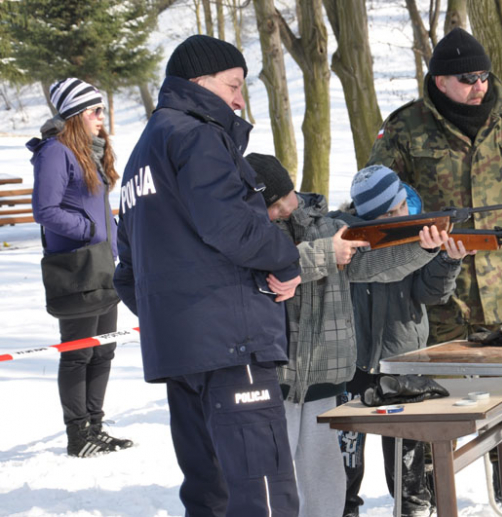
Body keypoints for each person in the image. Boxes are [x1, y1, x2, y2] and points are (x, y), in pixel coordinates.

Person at [367, 27, 502, 512]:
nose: (479, 84)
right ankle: (423, 476)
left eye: (484, 75)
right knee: (429, 388)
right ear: (439, 82)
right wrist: (417, 241)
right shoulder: (405, 127)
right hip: (436, 287)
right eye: (467, 78)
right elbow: (378, 202)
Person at [113, 36, 301, 516]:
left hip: (182, 355)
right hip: (231, 344)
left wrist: (180, 317)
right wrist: (285, 258)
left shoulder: (140, 158)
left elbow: (128, 275)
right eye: (233, 85)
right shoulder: (197, 134)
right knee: (262, 492)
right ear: (198, 83)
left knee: (209, 494)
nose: (239, 99)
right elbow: (232, 226)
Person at [246, 154, 451, 517]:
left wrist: (426, 248)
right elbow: (269, 273)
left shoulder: (329, 226)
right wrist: (327, 254)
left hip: (326, 381)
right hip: (274, 378)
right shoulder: (253, 233)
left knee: (327, 489)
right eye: (270, 205)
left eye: (283, 199)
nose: (279, 210)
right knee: (273, 489)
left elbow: (373, 265)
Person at [333, 166, 469, 517]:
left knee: (408, 460)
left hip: (404, 359)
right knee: (346, 459)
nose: (397, 217)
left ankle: (413, 508)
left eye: (398, 209)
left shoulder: (419, 231)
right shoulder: (346, 239)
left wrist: (447, 261)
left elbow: (430, 294)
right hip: (353, 361)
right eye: (387, 214)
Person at [28, 78, 133, 458]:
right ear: (75, 115)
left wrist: (119, 243)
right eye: (94, 111)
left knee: (104, 349)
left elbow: (101, 209)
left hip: (105, 266)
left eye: (101, 110)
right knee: (78, 353)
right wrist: (89, 231)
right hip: (76, 268)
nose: (101, 118)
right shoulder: (56, 152)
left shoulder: (90, 151)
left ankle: (96, 427)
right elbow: (46, 210)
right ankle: (78, 435)